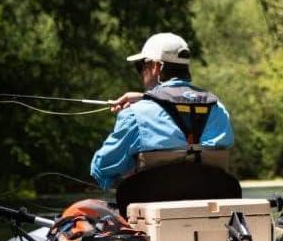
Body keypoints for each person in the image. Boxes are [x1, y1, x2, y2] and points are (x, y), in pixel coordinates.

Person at [90, 32, 234, 191]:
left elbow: (102, 168)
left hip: (152, 202)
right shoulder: (219, 110)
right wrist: (145, 99)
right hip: (209, 200)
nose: (141, 73)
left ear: (156, 67)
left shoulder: (134, 114)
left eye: (141, 66)